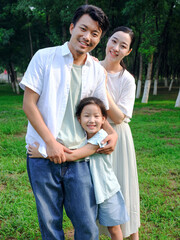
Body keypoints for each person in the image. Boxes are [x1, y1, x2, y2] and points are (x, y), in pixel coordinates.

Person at [19, 5, 118, 240]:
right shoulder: (45, 57)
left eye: (95, 33)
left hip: (80, 157)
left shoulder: (95, 69)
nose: (88, 37)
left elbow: (99, 112)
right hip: (42, 155)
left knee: (86, 225)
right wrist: (50, 143)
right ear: (72, 28)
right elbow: (29, 104)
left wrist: (112, 133)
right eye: (83, 29)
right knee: (50, 225)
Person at [28, 97, 129, 240]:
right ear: (79, 119)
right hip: (91, 189)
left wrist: (42, 154)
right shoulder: (81, 137)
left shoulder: (101, 137)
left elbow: (74, 156)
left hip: (106, 189)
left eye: (96, 116)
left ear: (103, 119)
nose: (91, 120)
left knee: (113, 227)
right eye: (86, 116)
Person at [99, 26, 140, 240]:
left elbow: (118, 117)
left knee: (124, 190)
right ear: (107, 40)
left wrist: (102, 84)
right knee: (98, 192)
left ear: (129, 52)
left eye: (123, 46)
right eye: (114, 41)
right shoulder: (89, 66)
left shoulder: (127, 79)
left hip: (119, 138)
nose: (115, 48)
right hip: (94, 136)